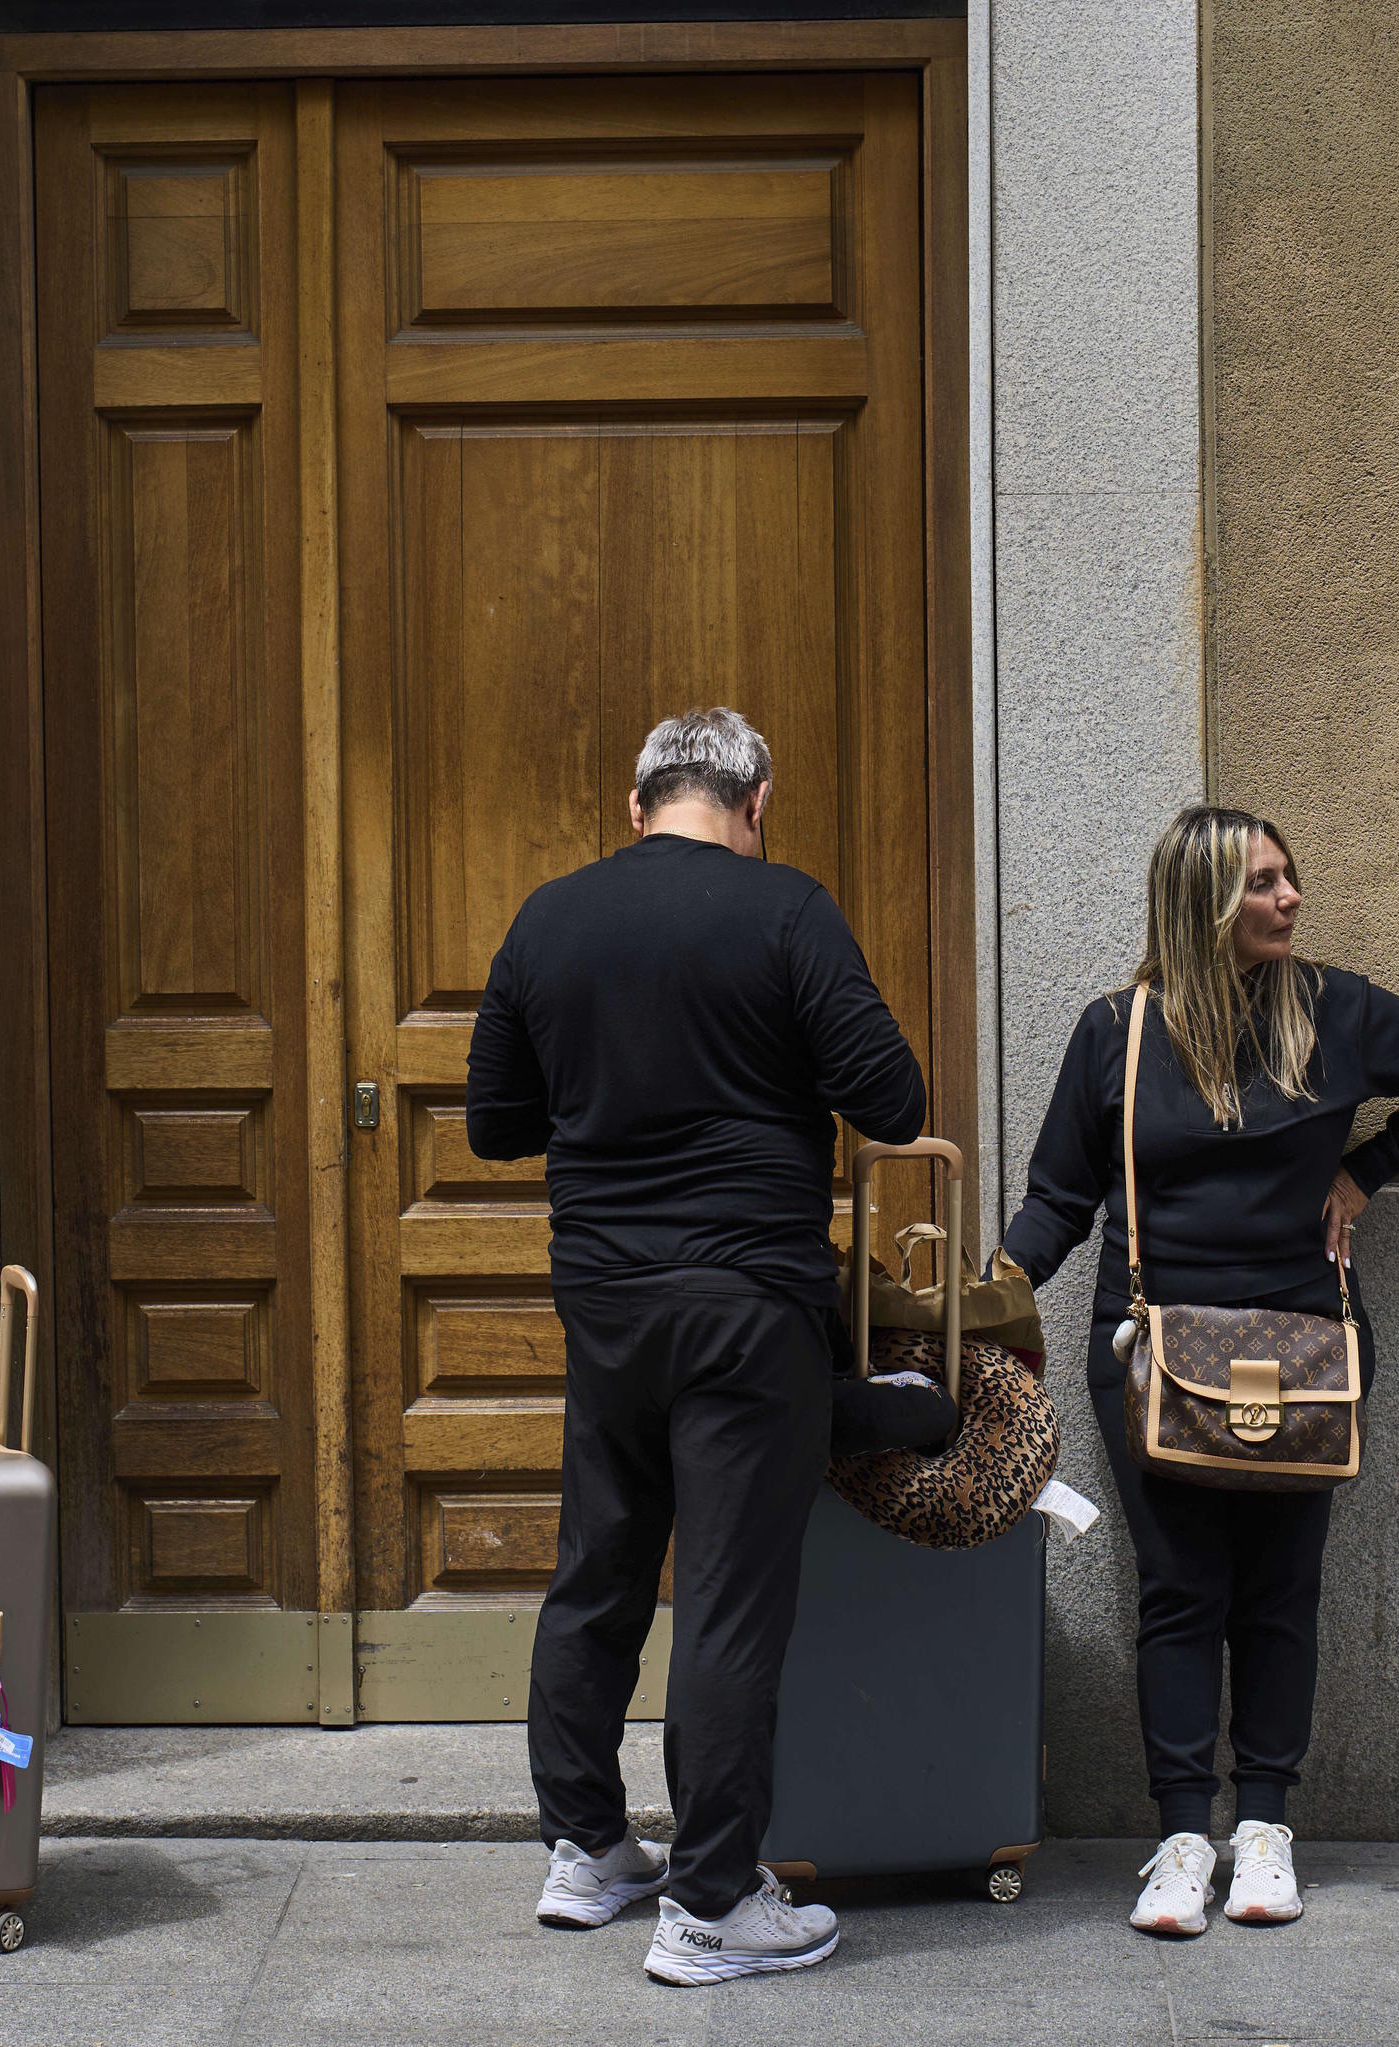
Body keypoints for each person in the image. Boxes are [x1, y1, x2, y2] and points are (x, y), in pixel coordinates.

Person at [465, 707, 926, 1985]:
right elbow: (893, 1099)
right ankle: (712, 1906)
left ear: (636, 804)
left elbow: (495, 1124)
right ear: (758, 798)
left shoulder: (548, 918)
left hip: (606, 1302)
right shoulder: (788, 911)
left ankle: (586, 1849)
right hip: (748, 1306)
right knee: (726, 1603)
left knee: (598, 1568)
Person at [1002, 805, 1399, 1936]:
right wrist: (993, 1287)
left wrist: (1366, 1173)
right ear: (1203, 903)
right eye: (1265, 884)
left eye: (1290, 877)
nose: (1291, 899)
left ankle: (1265, 1827)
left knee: (1280, 1591)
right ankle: (1183, 1835)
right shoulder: (1118, 1032)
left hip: (1302, 1348)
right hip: (1151, 1348)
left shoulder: (1336, 1009)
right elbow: (1059, 1196)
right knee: (1179, 1590)